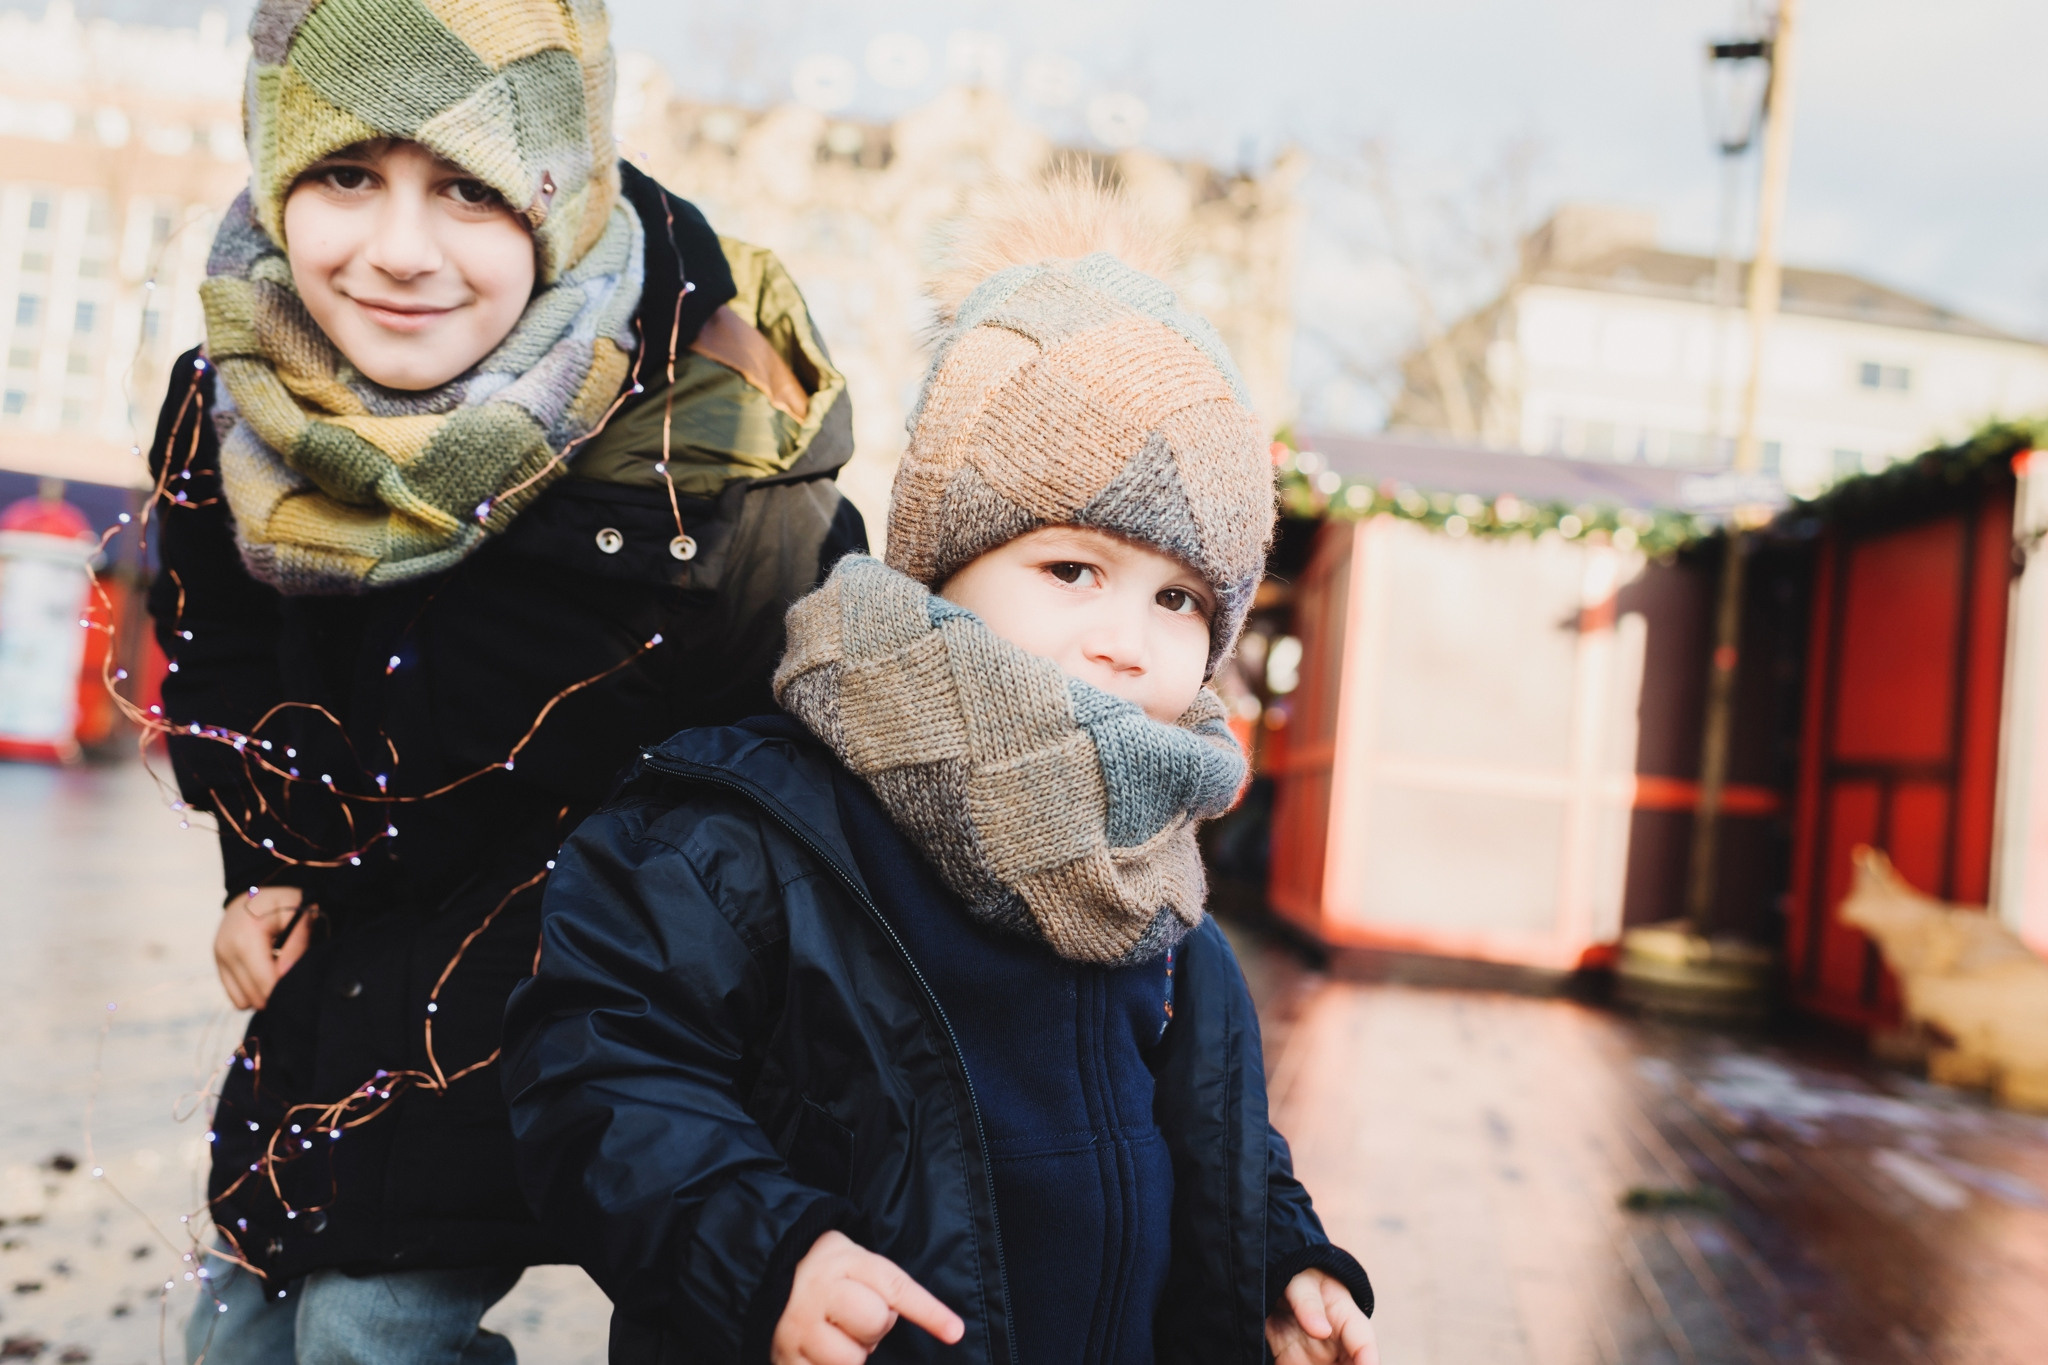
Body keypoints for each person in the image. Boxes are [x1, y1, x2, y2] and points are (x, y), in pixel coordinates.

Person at [502, 177, 1379, 1365]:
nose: (1127, 636)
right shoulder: (750, 828)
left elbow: (1214, 1142)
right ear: (940, 563)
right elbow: (603, 1071)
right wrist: (769, 1256)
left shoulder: (1156, 884)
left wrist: (1278, 1262)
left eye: (1179, 598)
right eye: (1071, 569)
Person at [144, 1, 862, 1359]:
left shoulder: (707, 454)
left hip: (549, 1015)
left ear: (565, 196)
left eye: (472, 188)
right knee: (239, 1328)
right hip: (327, 1009)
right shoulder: (233, 390)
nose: (398, 252)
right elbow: (222, 647)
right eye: (348, 174)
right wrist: (260, 862)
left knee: (365, 1332)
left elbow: (811, 778)